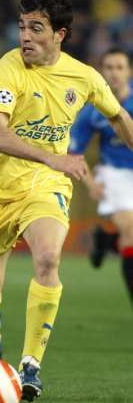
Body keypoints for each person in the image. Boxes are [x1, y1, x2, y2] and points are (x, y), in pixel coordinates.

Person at [0, 0, 133, 402]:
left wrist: (53, 165)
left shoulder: (85, 77)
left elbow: (119, 116)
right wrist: (54, 158)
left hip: (45, 185)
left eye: (36, 28)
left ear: (60, 34)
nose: (25, 36)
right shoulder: (7, 68)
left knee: (48, 258)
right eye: (22, 27)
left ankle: (30, 366)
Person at [70, 48, 133, 305]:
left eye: (119, 67)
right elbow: (74, 151)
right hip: (114, 175)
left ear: (128, 71)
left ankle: (106, 241)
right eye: (108, 67)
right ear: (101, 72)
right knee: (130, 232)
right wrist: (91, 183)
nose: (114, 73)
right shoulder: (94, 110)